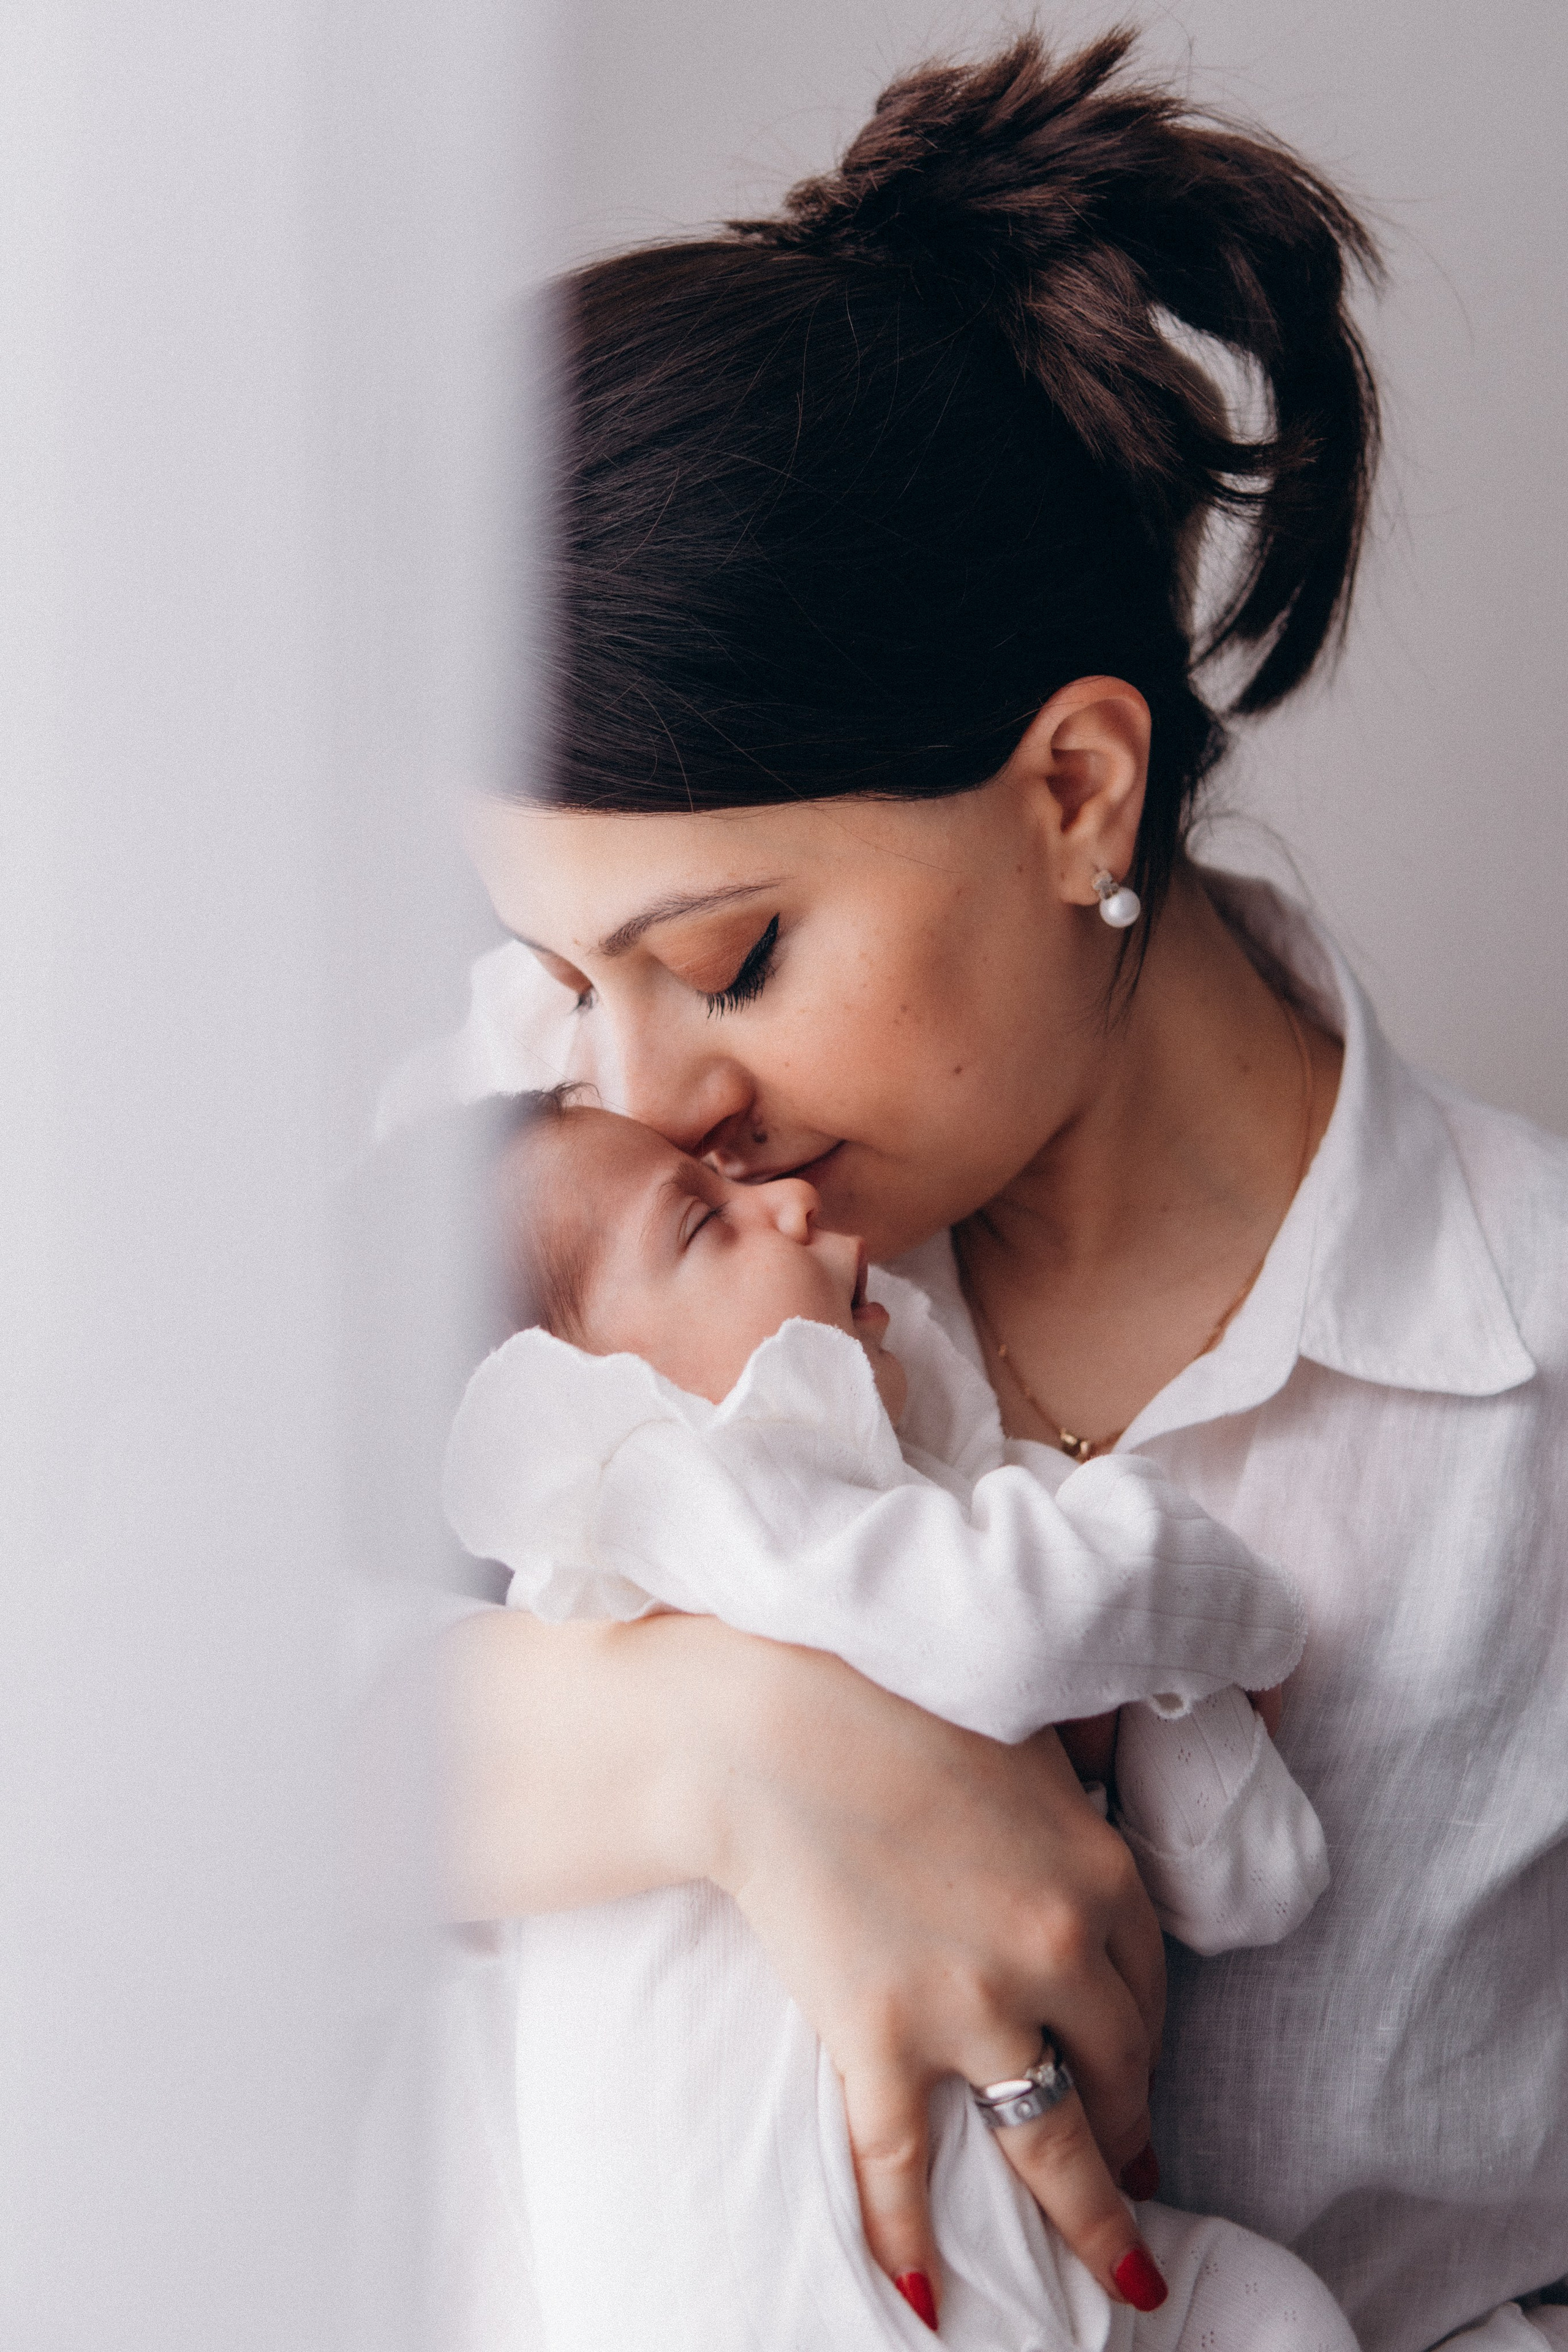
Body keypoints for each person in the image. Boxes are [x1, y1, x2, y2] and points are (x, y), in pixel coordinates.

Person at [435, 29, 1568, 2350]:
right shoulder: (553, 1165)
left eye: (729, 961)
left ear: (1074, 794)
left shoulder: (1526, 1392)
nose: (644, 1086)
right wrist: (731, 1755)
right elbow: (126, 1736)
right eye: (565, 972)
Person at [440, 1088, 1345, 2346]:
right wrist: (1226, 1611)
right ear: (570, 1405)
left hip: (1015, 2265)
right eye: (701, 1223)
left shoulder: (910, 1534)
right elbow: (1018, 1627)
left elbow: (1252, 1878)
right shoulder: (680, 1493)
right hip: (796, 2296)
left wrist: (1173, 1711)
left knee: (1269, 2312)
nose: (785, 1200)